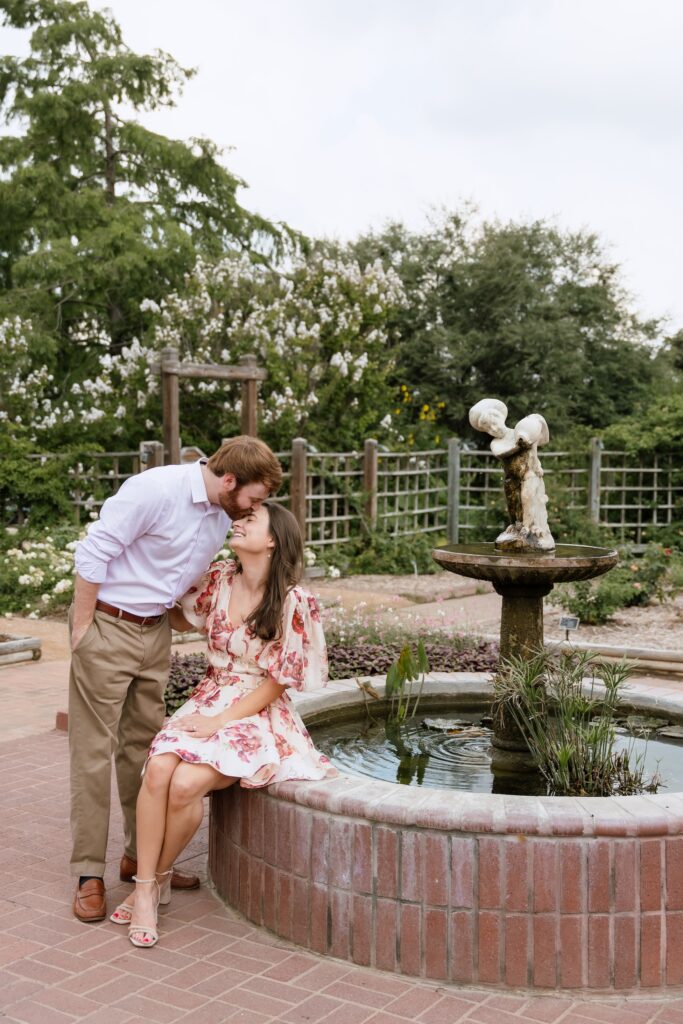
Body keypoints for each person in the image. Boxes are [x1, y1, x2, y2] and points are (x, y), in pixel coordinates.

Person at [69, 436, 283, 923]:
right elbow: (94, 550)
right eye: (254, 496)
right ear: (229, 481)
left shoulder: (220, 517)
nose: (255, 508)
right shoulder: (155, 489)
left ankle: (135, 858)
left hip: (155, 634)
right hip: (107, 625)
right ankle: (87, 874)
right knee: (91, 753)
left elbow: (186, 584)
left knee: (141, 751)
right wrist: (83, 629)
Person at [108, 501, 337, 948]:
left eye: (251, 520)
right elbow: (179, 615)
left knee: (187, 783)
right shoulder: (218, 579)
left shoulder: (294, 600)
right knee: (158, 770)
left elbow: (278, 682)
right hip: (211, 694)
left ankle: (156, 881)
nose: (239, 522)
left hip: (255, 711)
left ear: (273, 540)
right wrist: (145, 591)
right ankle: (146, 887)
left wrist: (218, 722)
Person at [469, 398, 554, 551]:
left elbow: (534, 445)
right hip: (511, 478)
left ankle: (527, 529)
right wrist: (519, 444)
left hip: (528, 474)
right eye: (488, 428)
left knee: (527, 497)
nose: (493, 428)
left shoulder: (520, 431)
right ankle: (516, 525)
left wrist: (537, 463)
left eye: (494, 423)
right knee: (513, 504)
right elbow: (502, 452)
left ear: (501, 418)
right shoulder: (496, 443)